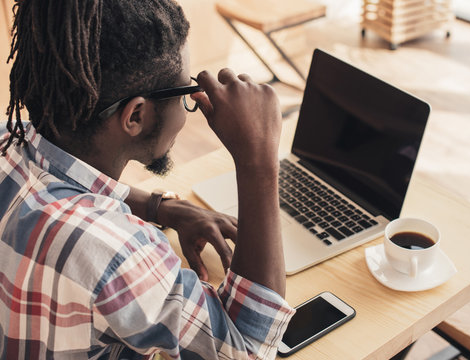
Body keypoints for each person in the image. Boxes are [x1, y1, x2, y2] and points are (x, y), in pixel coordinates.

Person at [0, 0, 294, 359]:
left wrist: (159, 207)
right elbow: (246, 348)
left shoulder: (8, 139)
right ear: (135, 116)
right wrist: (259, 160)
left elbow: (65, 186)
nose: (194, 98)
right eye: (186, 90)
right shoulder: (116, 256)